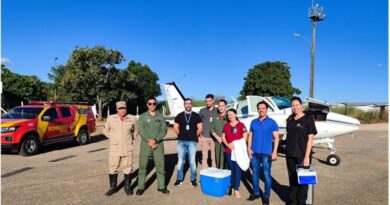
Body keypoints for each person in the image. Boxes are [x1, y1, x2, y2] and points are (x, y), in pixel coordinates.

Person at [285, 97, 317, 205]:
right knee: (292, 179)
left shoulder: (308, 119)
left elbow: (310, 139)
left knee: (303, 181)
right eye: (292, 105)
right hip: (290, 154)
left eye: (297, 105)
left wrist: (307, 156)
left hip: (303, 155)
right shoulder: (289, 120)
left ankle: (301, 202)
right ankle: (293, 201)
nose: (295, 107)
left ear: (301, 105)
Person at [247, 101, 279, 205]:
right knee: (255, 174)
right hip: (255, 153)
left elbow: (276, 138)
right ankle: (256, 192)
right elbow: (250, 135)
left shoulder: (272, 122)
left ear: (267, 109)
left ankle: (266, 196)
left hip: (267, 153)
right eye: (259, 108)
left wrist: (274, 152)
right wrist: (249, 148)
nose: (261, 110)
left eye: (263, 108)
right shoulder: (253, 122)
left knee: (266, 175)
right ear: (257, 110)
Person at [103, 101, 138, 196]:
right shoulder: (111, 119)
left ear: (126, 108)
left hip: (127, 148)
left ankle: (127, 187)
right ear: (117, 109)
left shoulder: (132, 119)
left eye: (124, 108)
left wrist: (132, 138)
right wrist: (113, 138)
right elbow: (105, 131)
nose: (122, 110)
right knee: (113, 168)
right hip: (115, 148)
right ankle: (113, 187)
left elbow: (136, 130)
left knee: (128, 168)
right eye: (120, 108)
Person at [136, 97, 169, 195]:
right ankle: (141, 187)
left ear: (156, 104)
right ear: (147, 105)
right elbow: (141, 130)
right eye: (150, 104)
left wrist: (155, 140)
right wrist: (149, 141)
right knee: (143, 166)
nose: (152, 105)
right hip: (145, 144)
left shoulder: (160, 117)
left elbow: (164, 130)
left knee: (160, 166)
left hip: (158, 144)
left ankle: (161, 186)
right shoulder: (143, 116)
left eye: (154, 103)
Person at [173, 98, 203, 187]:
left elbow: (200, 128)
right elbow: (175, 127)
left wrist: (194, 135)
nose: (188, 105)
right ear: (184, 105)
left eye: (190, 103)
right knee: (180, 161)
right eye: (186, 103)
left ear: (191, 104)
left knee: (192, 161)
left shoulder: (196, 116)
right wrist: (181, 135)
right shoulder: (179, 116)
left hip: (192, 142)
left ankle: (193, 179)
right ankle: (179, 179)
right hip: (181, 141)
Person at [222, 108, 248, 198]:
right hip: (229, 151)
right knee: (231, 170)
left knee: (237, 170)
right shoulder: (226, 126)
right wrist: (228, 145)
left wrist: (235, 144)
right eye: (228, 115)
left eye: (231, 114)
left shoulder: (241, 125)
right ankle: (232, 186)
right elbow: (223, 138)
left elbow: (245, 137)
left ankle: (236, 189)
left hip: (238, 151)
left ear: (235, 114)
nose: (230, 116)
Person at [199, 94, 218, 169]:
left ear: (213, 101)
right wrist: (200, 136)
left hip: (214, 137)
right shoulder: (202, 111)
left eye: (209, 101)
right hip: (204, 136)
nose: (208, 103)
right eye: (206, 101)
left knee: (214, 157)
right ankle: (204, 173)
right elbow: (199, 123)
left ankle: (214, 172)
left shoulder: (218, 110)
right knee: (204, 157)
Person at [210, 99, 228, 169]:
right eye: (219, 106)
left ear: (226, 106)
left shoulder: (230, 116)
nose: (221, 107)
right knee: (218, 159)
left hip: (228, 142)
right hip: (218, 142)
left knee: (228, 161)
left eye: (223, 106)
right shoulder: (215, 117)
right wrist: (217, 137)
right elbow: (211, 129)